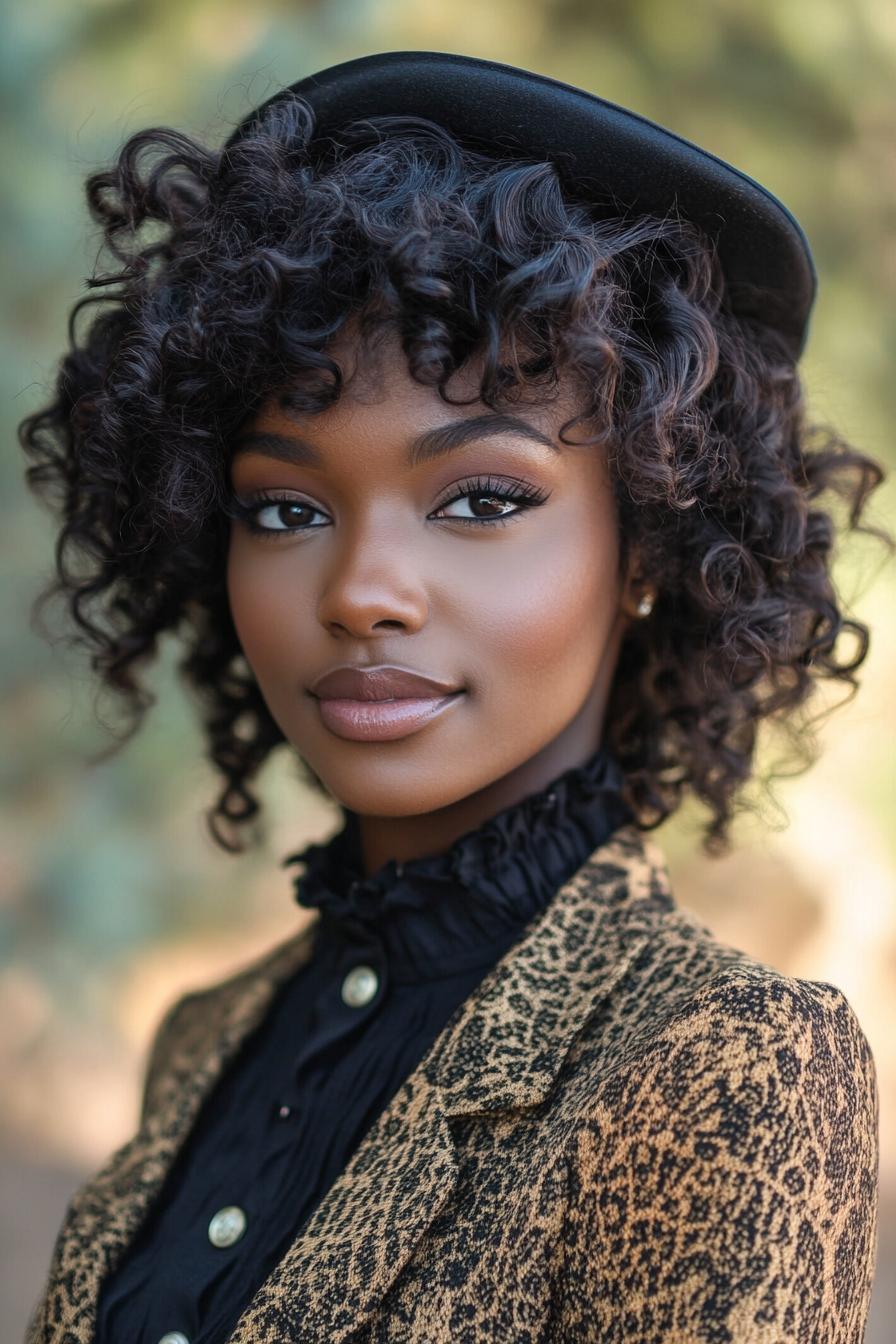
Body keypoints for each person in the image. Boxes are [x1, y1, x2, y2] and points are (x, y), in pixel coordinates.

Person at [19, 50, 887, 1344]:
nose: (363, 590)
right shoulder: (206, 1040)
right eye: (287, 507)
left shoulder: (724, 1062)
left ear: (648, 545)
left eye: (482, 499)